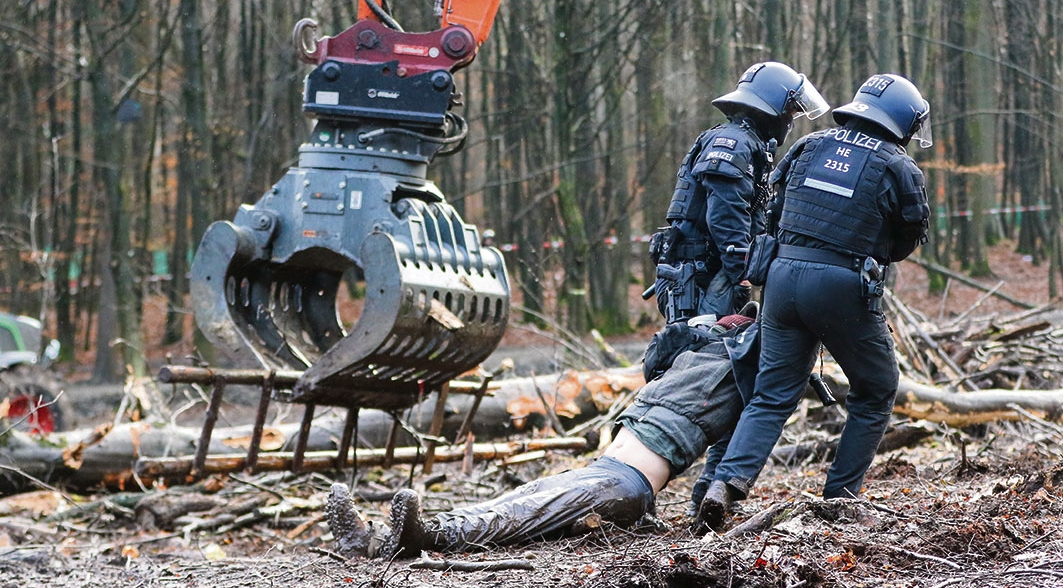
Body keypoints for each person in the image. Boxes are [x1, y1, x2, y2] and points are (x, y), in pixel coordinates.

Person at [325, 309, 763, 558]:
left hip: (624, 486)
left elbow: (730, 453)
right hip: (604, 471)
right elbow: (658, 351)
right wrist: (706, 325)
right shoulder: (701, 347)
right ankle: (370, 542)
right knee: (507, 501)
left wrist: (706, 512)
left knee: (520, 515)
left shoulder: (747, 375)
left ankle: (423, 536)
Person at [695, 73, 932, 531]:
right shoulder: (900, 166)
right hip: (842, 285)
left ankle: (725, 485)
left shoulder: (808, 146)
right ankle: (840, 502)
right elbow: (906, 240)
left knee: (771, 395)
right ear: (903, 121)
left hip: (781, 281)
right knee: (876, 389)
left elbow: (774, 211)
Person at [651, 62, 828, 323]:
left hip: (711, 271)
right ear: (770, 107)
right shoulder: (734, 143)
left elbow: (750, 215)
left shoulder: (749, 144)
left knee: (722, 351)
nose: (790, 120)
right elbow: (726, 214)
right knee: (704, 352)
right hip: (701, 276)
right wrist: (741, 270)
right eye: (790, 111)